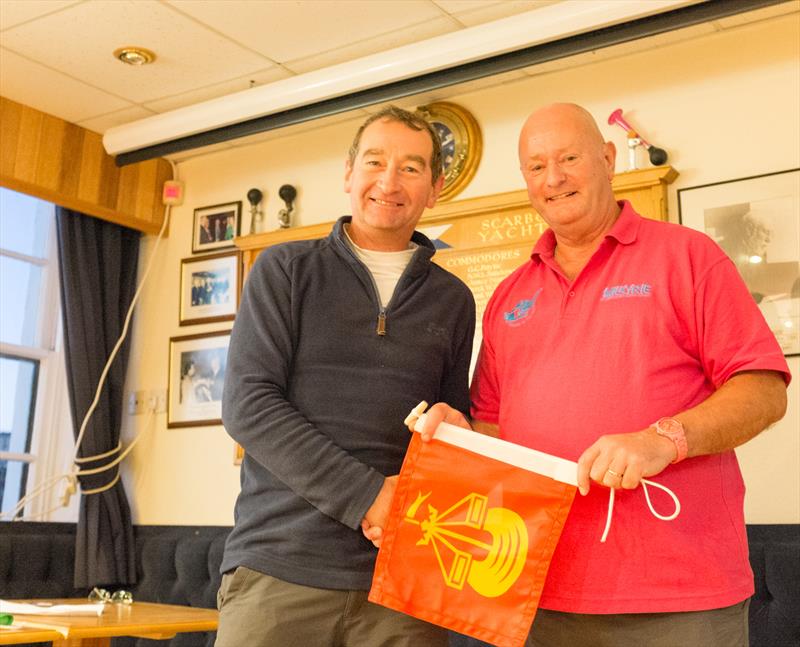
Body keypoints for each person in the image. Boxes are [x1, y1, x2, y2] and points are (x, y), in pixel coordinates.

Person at [404, 103, 790, 647]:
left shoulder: (687, 256)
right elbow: (496, 427)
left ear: (607, 159)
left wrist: (665, 439)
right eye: (536, 166)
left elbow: (765, 389)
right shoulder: (509, 297)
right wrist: (461, 438)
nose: (554, 177)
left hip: (679, 596)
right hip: (541, 590)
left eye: (569, 158)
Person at [215, 105, 475, 647]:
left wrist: (459, 428)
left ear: (435, 186)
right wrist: (368, 497)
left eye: (411, 167)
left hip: (405, 580)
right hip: (279, 570)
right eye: (375, 162)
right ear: (349, 174)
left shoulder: (454, 300)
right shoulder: (284, 270)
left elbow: (449, 431)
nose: (389, 181)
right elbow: (248, 405)